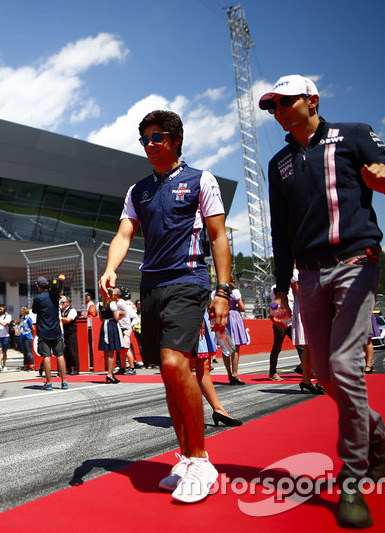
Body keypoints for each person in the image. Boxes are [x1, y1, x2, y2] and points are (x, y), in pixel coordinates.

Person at [261, 75, 385, 528]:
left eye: (286, 102)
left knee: (346, 367)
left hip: (356, 262)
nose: (279, 111)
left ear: (312, 100)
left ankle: (352, 477)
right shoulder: (279, 164)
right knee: (326, 375)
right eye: (273, 107)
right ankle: (378, 431)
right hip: (306, 276)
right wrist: (279, 283)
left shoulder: (352, 134)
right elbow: (280, 229)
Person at [99, 110, 231, 503]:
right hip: (151, 284)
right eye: (144, 139)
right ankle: (186, 460)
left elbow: (219, 235)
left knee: (177, 364)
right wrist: (109, 269)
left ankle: (201, 460)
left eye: (157, 137)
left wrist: (223, 290)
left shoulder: (200, 180)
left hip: (188, 281)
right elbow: (124, 233)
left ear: (175, 139)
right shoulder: (137, 190)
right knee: (169, 375)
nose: (149, 145)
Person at [194, 314, 242, 427]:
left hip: (197, 309)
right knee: (185, 363)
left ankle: (218, 409)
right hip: (186, 309)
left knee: (204, 364)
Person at [32, 277, 68, 390]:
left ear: (38, 286)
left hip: (44, 330)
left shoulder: (38, 298)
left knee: (46, 356)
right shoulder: (55, 296)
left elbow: (34, 311)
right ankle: (64, 381)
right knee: (60, 355)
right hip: (56, 329)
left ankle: (49, 382)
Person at [220, 281, 248, 385]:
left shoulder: (217, 293)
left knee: (225, 347)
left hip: (223, 317)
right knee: (235, 348)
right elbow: (243, 308)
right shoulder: (235, 292)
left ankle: (229, 374)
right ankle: (235, 374)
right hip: (234, 318)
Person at [98, 287, 123, 383]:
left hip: (104, 325)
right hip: (112, 326)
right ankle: (110, 374)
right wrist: (119, 313)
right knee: (111, 352)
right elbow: (116, 318)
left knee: (107, 351)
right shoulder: (112, 304)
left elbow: (100, 318)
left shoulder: (99, 305)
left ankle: (110, 373)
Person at [113, 288, 137, 375]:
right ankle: (122, 367)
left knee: (126, 348)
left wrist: (115, 312)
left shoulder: (121, 303)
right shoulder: (118, 303)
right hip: (121, 327)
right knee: (121, 349)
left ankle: (132, 367)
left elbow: (121, 313)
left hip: (125, 327)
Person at [60, 295, 80, 375]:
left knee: (73, 351)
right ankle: (68, 368)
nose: (62, 304)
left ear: (67, 303)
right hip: (64, 333)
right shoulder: (61, 312)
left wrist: (61, 319)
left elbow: (69, 320)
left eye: (63, 302)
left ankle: (76, 368)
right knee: (65, 352)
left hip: (71, 333)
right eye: (61, 302)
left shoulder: (72, 310)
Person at [17, 306, 35, 371]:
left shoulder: (28, 319)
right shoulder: (22, 319)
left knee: (29, 351)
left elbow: (32, 327)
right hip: (22, 336)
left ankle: (32, 365)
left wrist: (31, 335)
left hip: (28, 336)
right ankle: (26, 365)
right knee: (24, 352)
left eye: (22, 311)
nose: (21, 312)